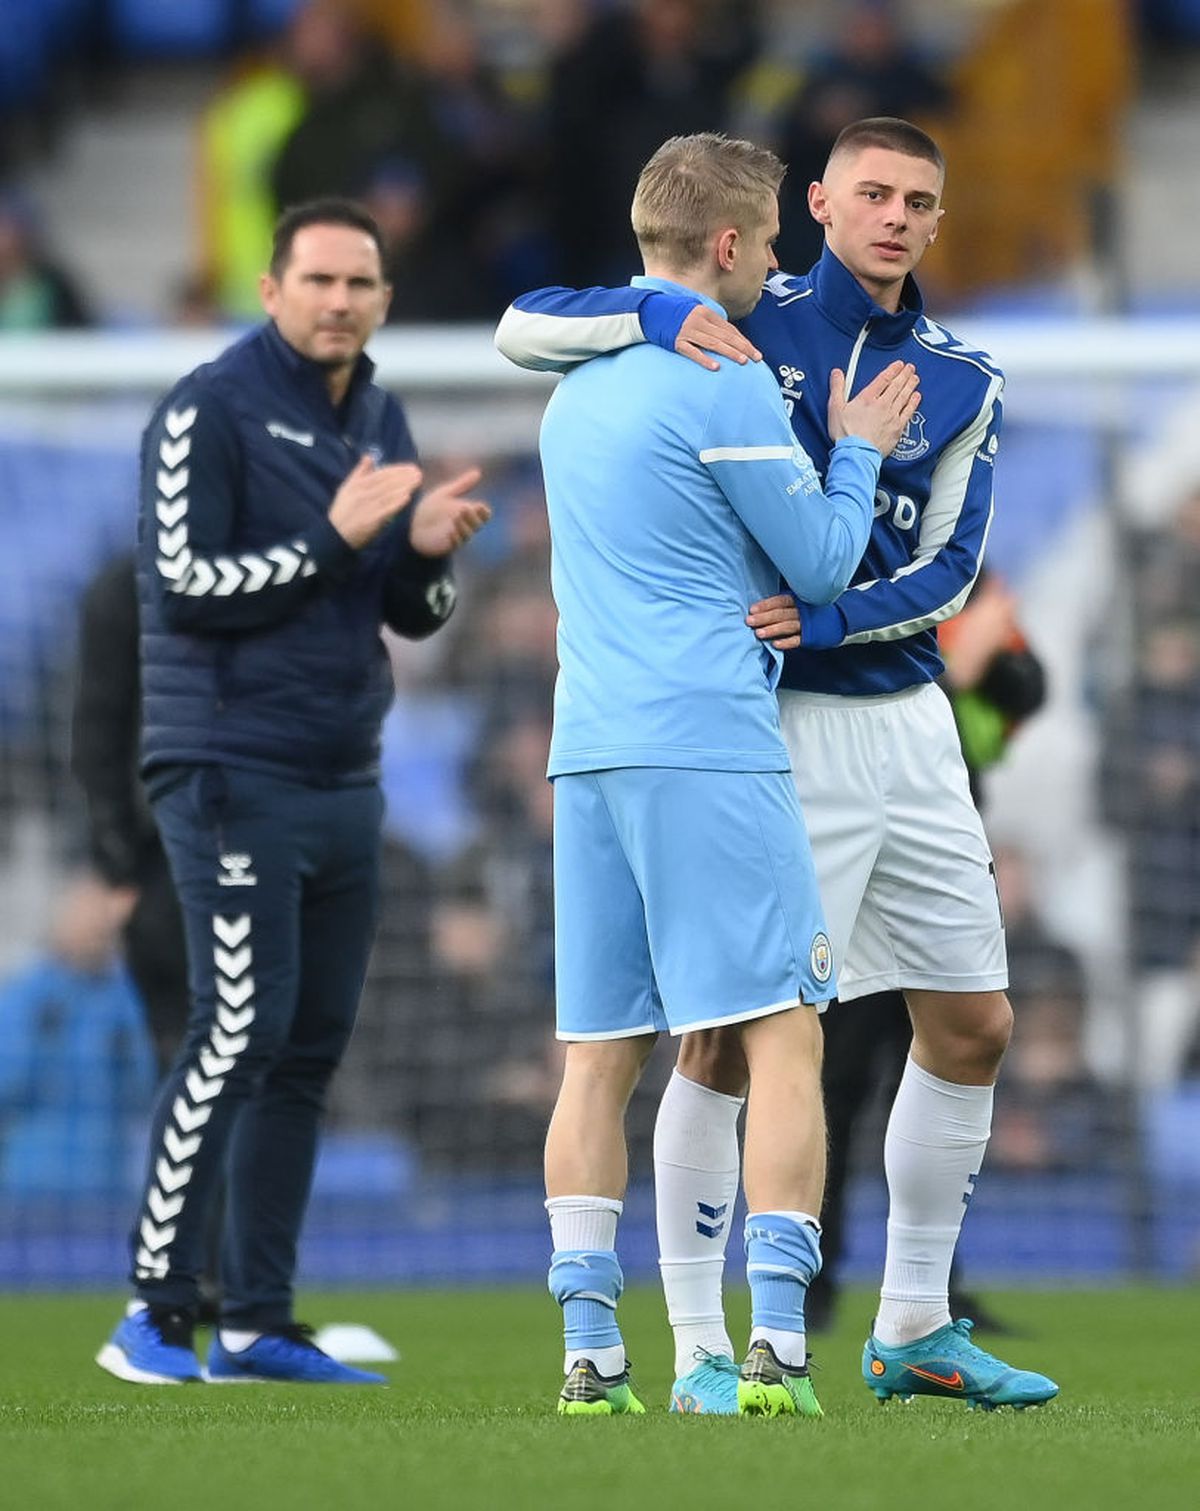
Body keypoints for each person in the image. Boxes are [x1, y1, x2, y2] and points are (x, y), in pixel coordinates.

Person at [495, 115, 1059, 1412]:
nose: (897, 216)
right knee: (732, 1040)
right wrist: (647, 319)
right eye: (873, 192)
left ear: (938, 216)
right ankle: (709, 1338)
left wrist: (839, 615)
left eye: (920, 198)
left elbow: (954, 569)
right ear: (813, 205)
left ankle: (915, 1320)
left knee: (972, 1018)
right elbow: (539, 316)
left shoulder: (964, 376)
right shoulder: (748, 328)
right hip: (762, 721)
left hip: (901, 719)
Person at [530, 130, 918, 1417]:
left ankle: (591, 1358)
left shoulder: (575, 387)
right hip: (705, 736)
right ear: (737, 245)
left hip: (586, 745)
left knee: (598, 1055)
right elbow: (817, 565)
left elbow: (525, 326)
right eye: (773, 244)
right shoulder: (728, 379)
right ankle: (776, 1352)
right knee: (783, 1031)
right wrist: (857, 445)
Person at [96, 196, 490, 1387]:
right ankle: (154, 1312)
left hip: (343, 772)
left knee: (308, 1049)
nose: (339, 301)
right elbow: (184, 586)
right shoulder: (205, 410)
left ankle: (257, 1318)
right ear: (270, 291)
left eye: (359, 283)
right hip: (228, 764)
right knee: (234, 1030)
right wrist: (334, 534)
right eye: (317, 280)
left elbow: (404, 615)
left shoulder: (379, 411)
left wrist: (423, 555)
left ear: (383, 298)